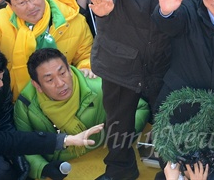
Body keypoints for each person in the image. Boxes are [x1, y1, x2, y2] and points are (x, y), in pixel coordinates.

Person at [88, 0, 193, 180]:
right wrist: (103, 2)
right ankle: (119, 170)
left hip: (163, 60)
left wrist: (173, 11)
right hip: (121, 62)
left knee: (170, 119)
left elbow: (192, 5)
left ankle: (171, 171)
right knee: (118, 122)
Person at [14, 48, 150, 180]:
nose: (60, 83)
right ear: (37, 85)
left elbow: (141, 107)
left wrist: (117, 135)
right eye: (49, 80)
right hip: (61, 167)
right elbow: (22, 145)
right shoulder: (26, 105)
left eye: (63, 73)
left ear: (69, 69)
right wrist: (43, 168)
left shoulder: (98, 87)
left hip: (104, 156)